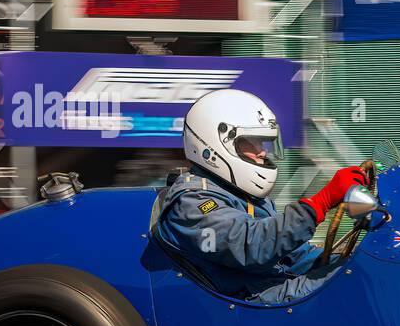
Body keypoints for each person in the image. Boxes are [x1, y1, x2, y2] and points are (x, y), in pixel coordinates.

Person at [153, 88, 366, 304]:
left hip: (270, 285)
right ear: (214, 145)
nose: (262, 152)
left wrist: (344, 260)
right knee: (358, 284)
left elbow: (290, 256)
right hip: (253, 299)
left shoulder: (240, 194)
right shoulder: (193, 204)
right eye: (252, 143)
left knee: (364, 271)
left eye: (262, 143)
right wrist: (322, 201)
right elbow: (252, 245)